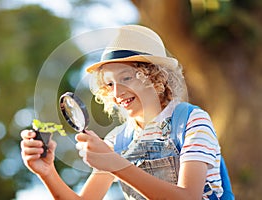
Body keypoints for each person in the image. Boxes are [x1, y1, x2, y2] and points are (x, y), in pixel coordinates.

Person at [20, 25, 224, 199]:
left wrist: (115, 163)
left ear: (156, 78)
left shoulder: (191, 121)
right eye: (109, 83)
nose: (116, 92)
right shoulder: (117, 140)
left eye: (127, 78)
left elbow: (189, 197)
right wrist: (47, 172)